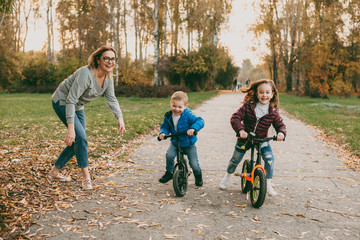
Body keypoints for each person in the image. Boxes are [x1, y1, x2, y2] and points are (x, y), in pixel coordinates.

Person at [49, 45, 126, 190]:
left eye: (113, 59)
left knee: (79, 140)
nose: (110, 62)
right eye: (106, 58)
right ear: (98, 60)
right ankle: (86, 178)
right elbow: (71, 99)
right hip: (62, 101)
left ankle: (54, 171)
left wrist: (119, 117)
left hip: (77, 106)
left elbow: (112, 98)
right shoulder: (86, 74)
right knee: (80, 138)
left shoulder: (108, 78)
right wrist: (70, 128)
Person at [219, 79, 286, 196]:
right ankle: (228, 176)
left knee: (269, 159)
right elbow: (235, 118)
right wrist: (240, 130)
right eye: (261, 92)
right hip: (246, 138)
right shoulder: (248, 107)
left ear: (272, 94)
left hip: (262, 139)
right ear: (256, 93)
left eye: (267, 92)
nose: (264, 95)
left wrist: (281, 133)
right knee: (235, 159)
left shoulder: (273, 112)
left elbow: (280, 124)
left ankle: (268, 183)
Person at [158, 91, 205, 186]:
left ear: (185, 106)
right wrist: (163, 133)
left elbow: (200, 121)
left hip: (188, 143)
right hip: (175, 142)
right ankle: (169, 172)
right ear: (171, 104)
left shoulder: (187, 115)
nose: (176, 109)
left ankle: (198, 175)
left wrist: (193, 128)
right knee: (169, 156)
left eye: (180, 107)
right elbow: (165, 126)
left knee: (194, 164)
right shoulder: (168, 115)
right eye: (174, 106)